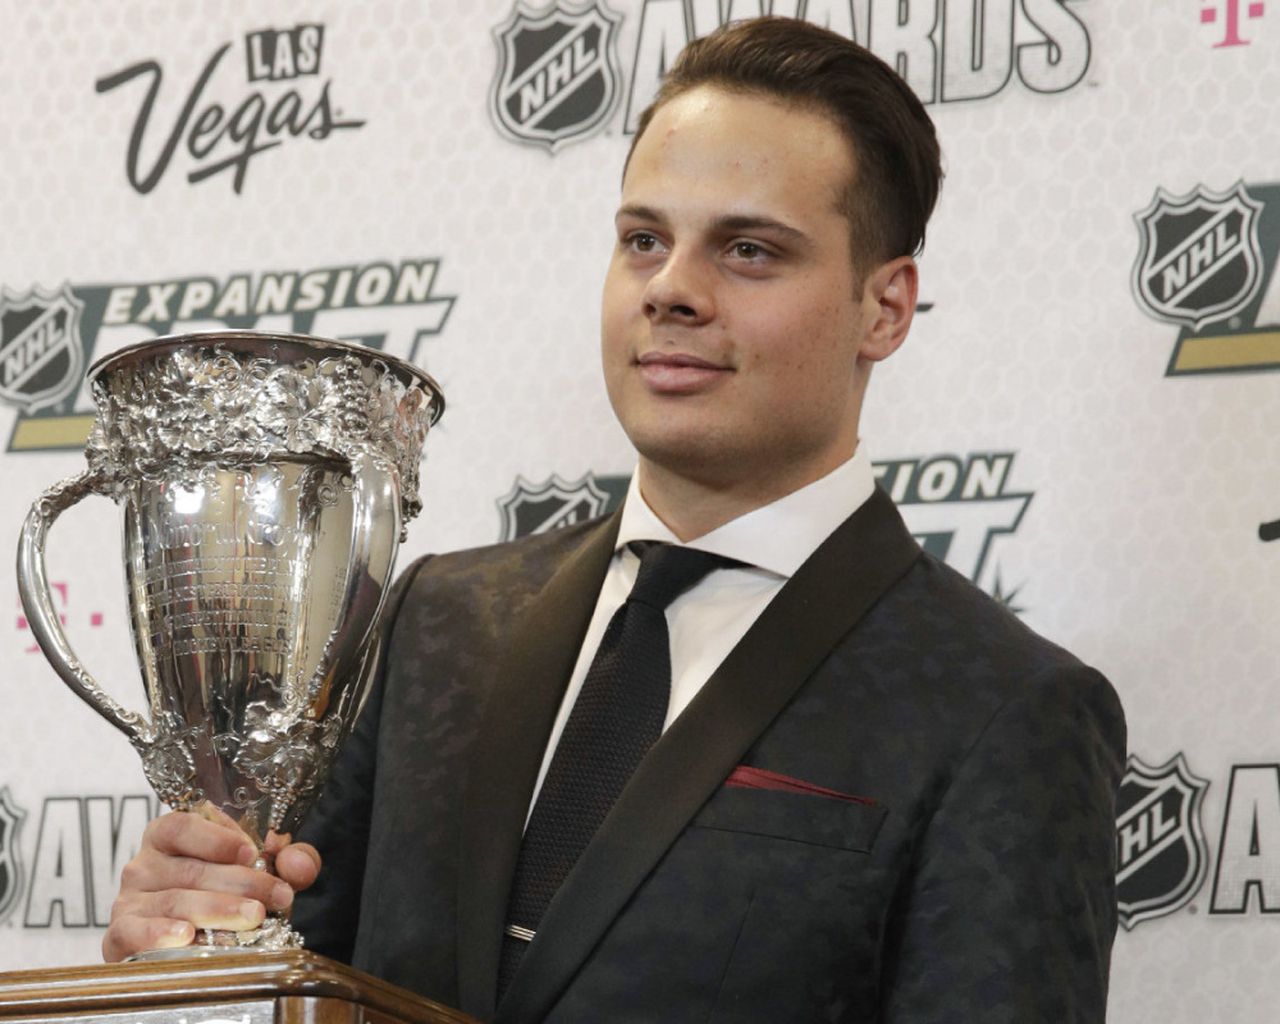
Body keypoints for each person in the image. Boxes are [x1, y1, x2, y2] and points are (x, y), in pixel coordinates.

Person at [104, 17, 1125, 1023]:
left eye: (749, 250)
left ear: (884, 307)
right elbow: (294, 979)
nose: (672, 288)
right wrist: (185, 961)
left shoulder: (1004, 710)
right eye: (643, 239)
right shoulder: (439, 621)